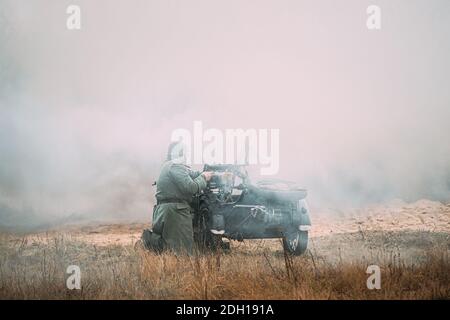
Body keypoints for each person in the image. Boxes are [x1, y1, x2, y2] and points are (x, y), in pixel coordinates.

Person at [140, 141, 212, 255]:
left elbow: (191, 174)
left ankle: (149, 245)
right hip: (175, 212)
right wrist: (203, 177)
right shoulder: (175, 166)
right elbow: (191, 187)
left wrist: (211, 173)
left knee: (169, 247)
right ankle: (147, 244)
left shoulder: (169, 166)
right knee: (184, 252)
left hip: (166, 210)